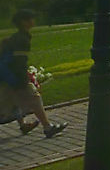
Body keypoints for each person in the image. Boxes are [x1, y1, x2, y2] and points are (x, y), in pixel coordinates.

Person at [0, 10, 68, 138]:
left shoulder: (17, 37)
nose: (33, 21)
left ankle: (23, 125)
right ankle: (48, 128)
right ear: (23, 22)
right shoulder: (22, 39)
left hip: (6, 76)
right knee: (34, 99)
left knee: (11, 103)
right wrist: (23, 79)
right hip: (15, 77)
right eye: (30, 18)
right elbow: (18, 62)